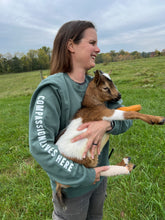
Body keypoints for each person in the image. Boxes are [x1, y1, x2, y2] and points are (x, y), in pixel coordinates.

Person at [29, 20, 132, 220]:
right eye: (92, 42)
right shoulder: (52, 90)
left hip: (99, 178)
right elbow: (40, 145)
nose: (98, 48)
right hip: (72, 188)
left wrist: (106, 124)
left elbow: (127, 118)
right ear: (71, 46)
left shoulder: (98, 84)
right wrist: (84, 175)